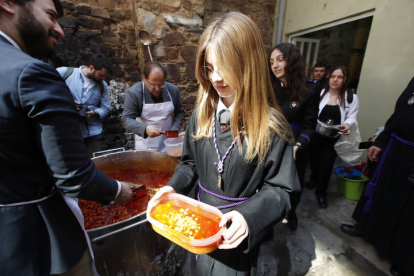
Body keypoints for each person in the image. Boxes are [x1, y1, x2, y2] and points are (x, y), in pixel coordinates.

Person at [147, 12, 300, 276]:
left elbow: (282, 190)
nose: (216, 78)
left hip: (234, 235)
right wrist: (172, 189)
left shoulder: (272, 127)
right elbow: (190, 164)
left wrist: (248, 217)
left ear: (248, 64)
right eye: (209, 67)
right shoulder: (201, 115)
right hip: (196, 227)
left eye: (225, 67)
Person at [0, 0, 132, 275]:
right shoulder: (35, 72)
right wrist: (119, 190)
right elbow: (72, 174)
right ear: (8, 4)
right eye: (51, 15)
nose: (59, 31)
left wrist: (93, 113)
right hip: (38, 239)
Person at [340, 77, 414, 276]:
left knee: (407, 209)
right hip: (395, 148)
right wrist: (381, 141)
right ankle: (368, 230)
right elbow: (397, 115)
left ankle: (402, 259)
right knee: (380, 191)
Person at [269, 43, 320, 231]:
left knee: (293, 185)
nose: (275, 65)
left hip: (296, 145)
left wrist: (297, 145)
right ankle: (269, 218)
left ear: (293, 60)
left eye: (280, 59)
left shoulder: (309, 90)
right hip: (272, 142)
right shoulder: (270, 88)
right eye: (272, 61)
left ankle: (291, 213)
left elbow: (309, 125)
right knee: (269, 183)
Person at [310, 66, 359, 208]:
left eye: (340, 77)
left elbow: (352, 117)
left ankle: (321, 192)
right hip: (316, 135)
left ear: (344, 80)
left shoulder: (351, 98)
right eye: (333, 76)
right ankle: (314, 179)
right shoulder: (320, 93)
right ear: (329, 77)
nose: (335, 80)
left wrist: (347, 125)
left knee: (326, 164)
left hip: (333, 138)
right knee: (314, 160)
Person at [121, 61, 184, 152]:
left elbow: (179, 112)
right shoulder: (134, 93)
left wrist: (174, 130)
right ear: (144, 78)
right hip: (145, 145)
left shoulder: (173, 90)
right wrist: (145, 128)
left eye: (161, 84)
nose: (157, 89)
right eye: (153, 85)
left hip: (168, 143)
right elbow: (126, 119)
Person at [57, 56, 112, 158]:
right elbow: (48, 92)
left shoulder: (102, 85)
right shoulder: (64, 73)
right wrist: (69, 102)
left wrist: (94, 112)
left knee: (97, 164)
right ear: (91, 67)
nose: (103, 78)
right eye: (101, 75)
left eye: (105, 76)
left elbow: (106, 108)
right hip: (69, 131)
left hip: (93, 132)